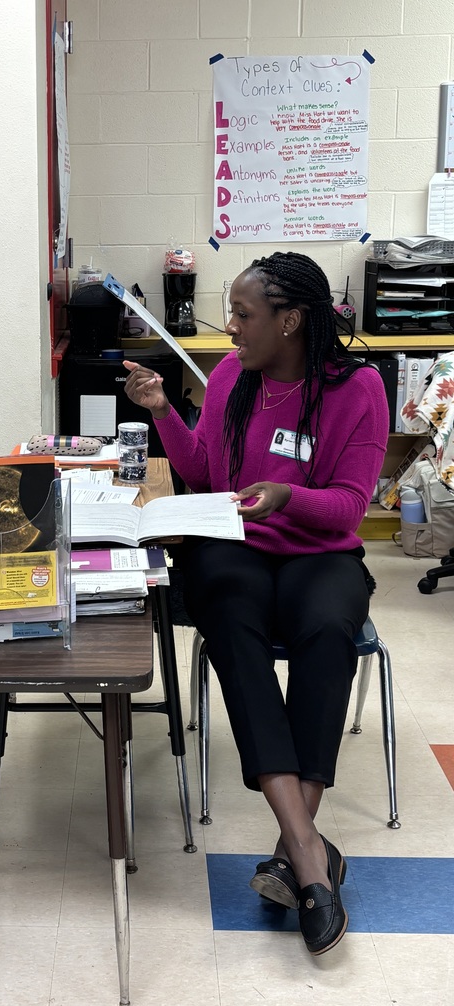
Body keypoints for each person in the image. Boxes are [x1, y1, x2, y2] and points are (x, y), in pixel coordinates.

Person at [124, 251, 388, 956]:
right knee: (229, 619)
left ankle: (293, 846)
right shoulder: (234, 379)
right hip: (236, 544)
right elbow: (207, 473)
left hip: (319, 548)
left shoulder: (356, 388)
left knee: (328, 626)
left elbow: (347, 509)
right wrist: (161, 414)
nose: (230, 328)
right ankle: (307, 851)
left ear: (291, 319)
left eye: (243, 315)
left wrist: (286, 495)